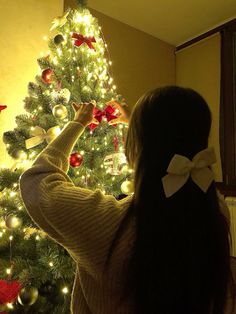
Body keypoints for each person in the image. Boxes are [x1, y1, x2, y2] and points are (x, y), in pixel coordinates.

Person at [20, 86, 235, 314]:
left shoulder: (107, 224)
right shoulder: (215, 210)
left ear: (136, 146)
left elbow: (37, 180)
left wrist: (78, 123)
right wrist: (141, 127)